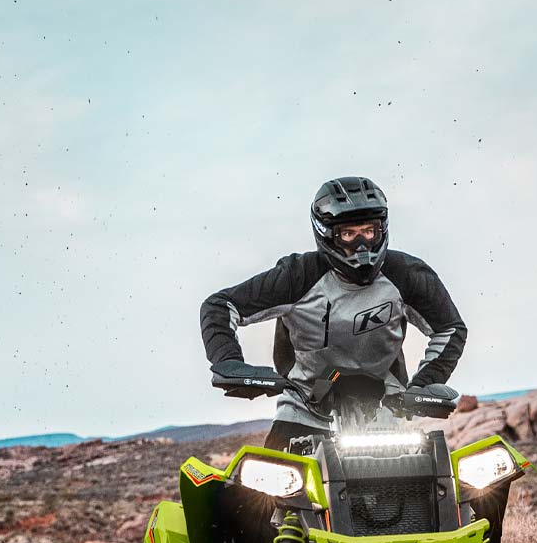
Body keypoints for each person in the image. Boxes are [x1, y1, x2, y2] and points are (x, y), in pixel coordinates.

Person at [199, 177, 468, 448]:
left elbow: (450, 328)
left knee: (425, 470)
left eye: (368, 231)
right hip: (306, 401)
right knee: (266, 474)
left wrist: (423, 384)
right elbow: (220, 305)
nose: (361, 244)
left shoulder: (406, 274)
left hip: (386, 406)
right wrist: (230, 362)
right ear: (326, 233)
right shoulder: (297, 276)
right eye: (348, 234)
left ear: (382, 229)